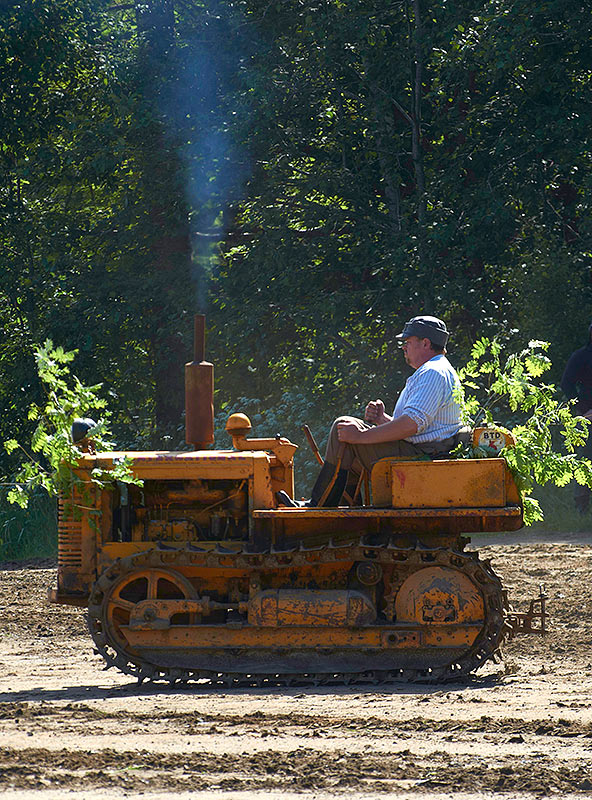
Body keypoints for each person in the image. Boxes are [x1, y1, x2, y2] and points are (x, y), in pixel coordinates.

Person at [278, 315, 463, 508]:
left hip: (420, 454)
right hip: (420, 449)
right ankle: (344, 507)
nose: (403, 347)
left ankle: (320, 506)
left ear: (425, 343)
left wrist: (360, 436)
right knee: (346, 430)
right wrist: (382, 419)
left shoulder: (433, 372)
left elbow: (411, 424)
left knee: (343, 427)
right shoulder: (436, 370)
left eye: (408, 342)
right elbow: (421, 427)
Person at [560, 323, 592, 513]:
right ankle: (582, 511)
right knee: (586, 461)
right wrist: (581, 410)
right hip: (588, 417)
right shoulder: (582, 356)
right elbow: (566, 384)